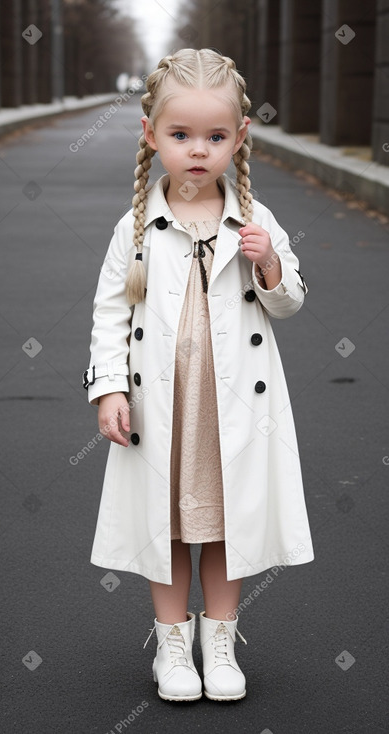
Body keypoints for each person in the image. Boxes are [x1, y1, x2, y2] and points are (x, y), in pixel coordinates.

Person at [83, 48, 314, 703]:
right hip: (162, 407)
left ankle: (220, 639)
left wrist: (269, 262)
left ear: (239, 137)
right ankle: (172, 645)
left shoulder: (254, 221)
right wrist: (107, 389)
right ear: (150, 133)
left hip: (229, 407)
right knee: (165, 527)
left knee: (223, 523)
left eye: (214, 136)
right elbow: (108, 311)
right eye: (179, 135)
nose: (196, 150)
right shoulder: (133, 229)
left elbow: (288, 303)